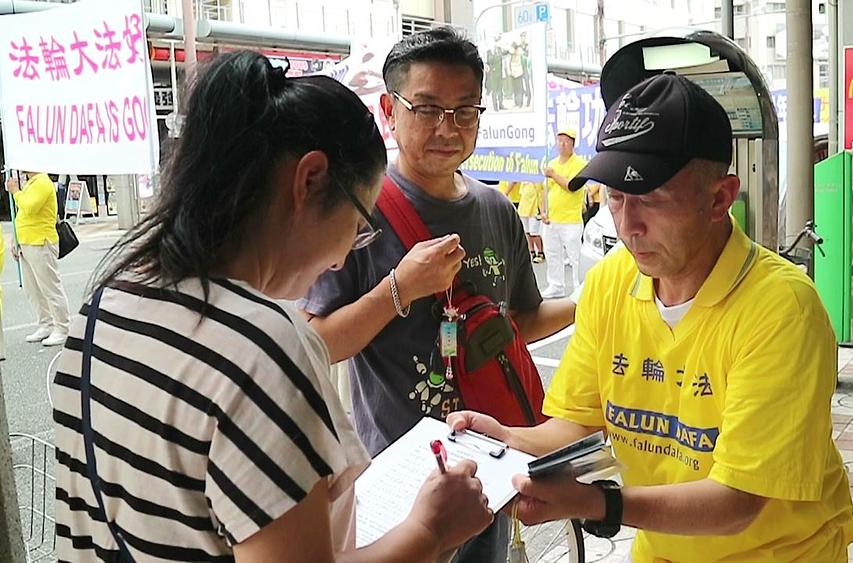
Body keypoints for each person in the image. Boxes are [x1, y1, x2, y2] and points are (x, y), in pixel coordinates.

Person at [52, 50, 492, 562]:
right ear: (309, 181)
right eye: (357, 226)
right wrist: (431, 529)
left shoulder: (106, 305)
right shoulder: (265, 348)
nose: (337, 261)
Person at [450, 72, 853, 562]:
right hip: (664, 550)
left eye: (650, 198)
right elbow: (575, 423)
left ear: (719, 198)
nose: (629, 225)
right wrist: (509, 442)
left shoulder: (781, 310)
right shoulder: (610, 283)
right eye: (616, 198)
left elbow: (738, 500)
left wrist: (598, 503)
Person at [300, 27, 576, 562]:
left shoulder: (496, 210)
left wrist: (599, 298)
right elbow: (318, 344)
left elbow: (518, 318)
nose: (447, 128)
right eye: (427, 109)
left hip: (488, 472)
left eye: (464, 110)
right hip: (397, 482)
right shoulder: (359, 208)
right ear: (389, 109)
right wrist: (401, 287)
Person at [5, 169, 71, 346]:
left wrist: (15, 191)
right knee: (32, 288)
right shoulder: (30, 184)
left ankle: (62, 328)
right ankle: (46, 324)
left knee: (50, 287)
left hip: (41, 242)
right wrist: (15, 239)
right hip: (27, 242)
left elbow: (30, 207)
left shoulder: (42, 182)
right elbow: (22, 216)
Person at [540, 128, 588, 298]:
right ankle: (556, 285)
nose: (562, 144)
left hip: (571, 219)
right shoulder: (552, 164)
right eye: (559, 140)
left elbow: (572, 186)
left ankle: (578, 287)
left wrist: (553, 175)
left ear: (573, 144)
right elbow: (544, 190)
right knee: (553, 253)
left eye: (566, 141)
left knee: (575, 256)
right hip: (552, 220)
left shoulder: (580, 164)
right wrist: (543, 211)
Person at [517, 181, 545, 263]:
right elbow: (522, 193)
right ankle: (531, 251)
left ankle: (540, 252)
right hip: (523, 208)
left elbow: (542, 194)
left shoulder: (538, 181)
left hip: (534, 210)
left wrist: (541, 209)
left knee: (534, 233)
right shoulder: (524, 180)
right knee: (527, 232)